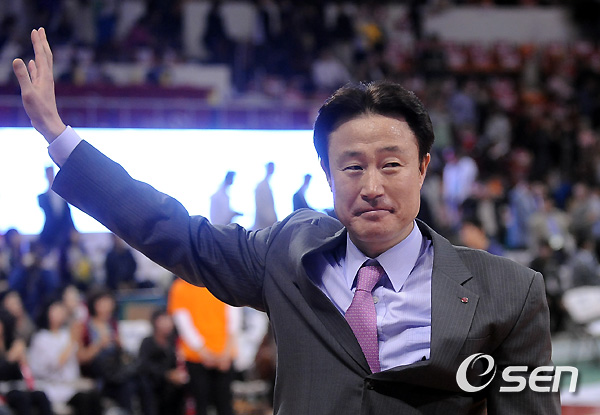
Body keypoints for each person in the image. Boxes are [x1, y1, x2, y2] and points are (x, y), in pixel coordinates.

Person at [13, 28, 559, 414]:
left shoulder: (509, 292)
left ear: (423, 168)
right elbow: (173, 230)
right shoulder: (289, 252)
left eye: (391, 164)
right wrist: (59, 137)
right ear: (328, 176)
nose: (371, 185)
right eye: (352, 167)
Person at [168, 278, 239, 415]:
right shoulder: (180, 287)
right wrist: (204, 352)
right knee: (200, 404)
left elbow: (234, 317)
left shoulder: (222, 281)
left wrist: (226, 352)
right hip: (196, 357)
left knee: (225, 403)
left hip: (223, 355)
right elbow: (184, 325)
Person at [28, 298, 102, 415]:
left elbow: (81, 358)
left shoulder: (66, 334)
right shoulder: (41, 338)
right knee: (84, 399)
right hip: (53, 387)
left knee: (94, 394)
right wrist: (72, 341)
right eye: (55, 311)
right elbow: (56, 363)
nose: (60, 314)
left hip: (73, 384)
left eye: (61, 311)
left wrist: (97, 344)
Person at [137, 309, 188, 415]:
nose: (166, 324)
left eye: (168, 320)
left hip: (172, 384)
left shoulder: (176, 342)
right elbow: (144, 365)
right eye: (162, 321)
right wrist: (166, 374)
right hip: (153, 383)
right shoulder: (148, 342)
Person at [38, 165, 75, 252]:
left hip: (64, 235)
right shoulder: (42, 197)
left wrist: (73, 229)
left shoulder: (63, 196)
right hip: (49, 235)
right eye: (49, 174)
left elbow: (68, 214)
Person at [252, 162, 277, 230]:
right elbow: (260, 207)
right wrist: (271, 219)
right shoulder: (261, 186)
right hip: (264, 223)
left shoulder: (267, 185)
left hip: (269, 223)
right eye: (271, 168)